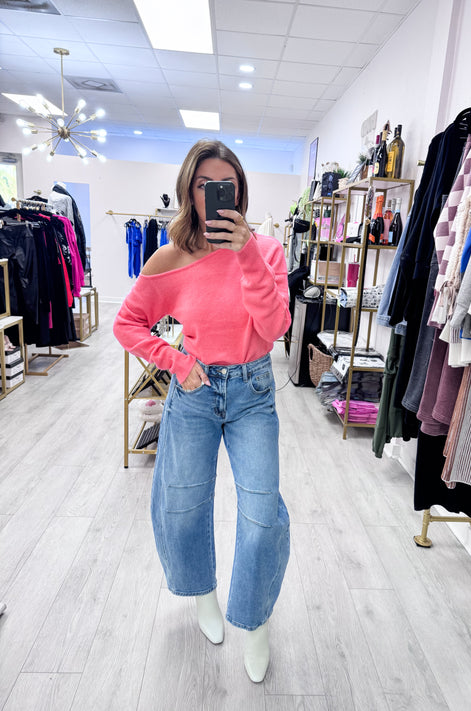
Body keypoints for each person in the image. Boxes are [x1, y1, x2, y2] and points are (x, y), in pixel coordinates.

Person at [113, 139, 291, 683]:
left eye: (227, 185)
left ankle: (255, 621)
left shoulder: (267, 251)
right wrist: (174, 361)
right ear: (190, 192)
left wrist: (246, 253)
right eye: (204, 185)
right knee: (182, 504)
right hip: (194, 392)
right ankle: (203, 595)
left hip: (253, 391)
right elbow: (126, 323)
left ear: (239, 191)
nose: (216, 193)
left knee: (262, 514)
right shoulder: (170, 258)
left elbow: (275, 328)